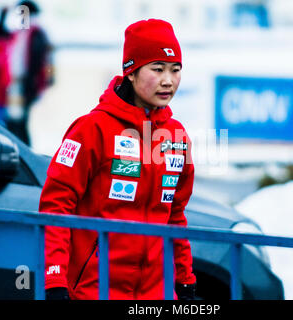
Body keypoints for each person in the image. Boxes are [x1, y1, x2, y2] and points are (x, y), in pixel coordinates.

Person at [39, 19, 197, 300]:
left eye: (175, 70)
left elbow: (175, 215)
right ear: (131, 73)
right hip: (94, 290)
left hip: (154, 294)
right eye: (157, 69)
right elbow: (56, 207)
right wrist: (55, 280)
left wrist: (184, 277)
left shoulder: (177, 136)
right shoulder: (91, 129)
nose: (168, 80)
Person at [6, 0, 53, 146]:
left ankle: (23, 152)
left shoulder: (35, 33)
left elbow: (36, 61)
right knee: (15, 120)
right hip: (19, 83)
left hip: (25, 84)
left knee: (17, 120)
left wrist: (31, 85)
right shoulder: (24, 32)